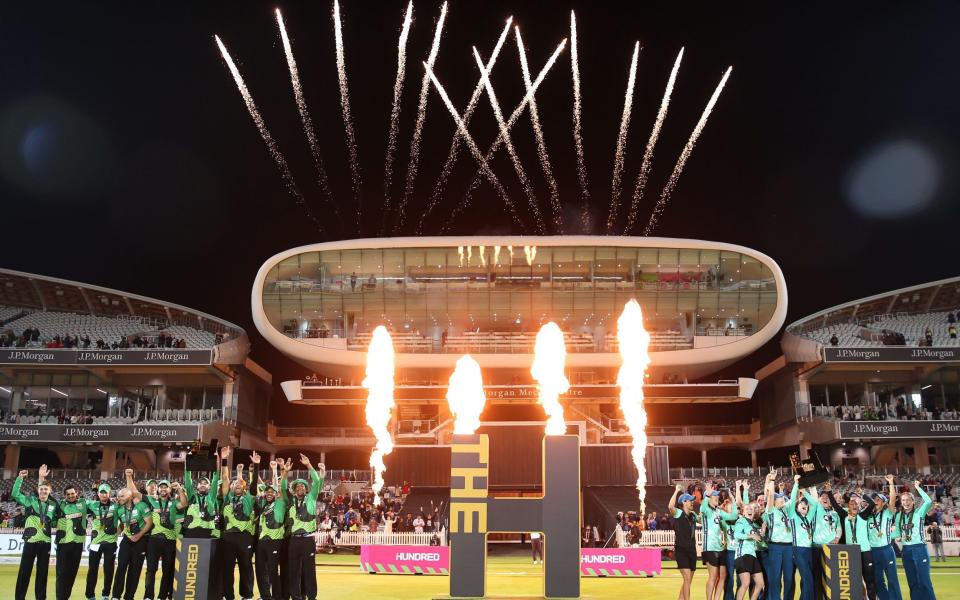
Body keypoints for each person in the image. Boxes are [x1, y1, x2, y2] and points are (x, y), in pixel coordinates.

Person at [219, 447, 258, 600]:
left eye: (240, 484)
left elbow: (254, 484)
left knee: (246, 567)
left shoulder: (249, 498)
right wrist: (224, 460)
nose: (237, 485)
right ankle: (228, 595)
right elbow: (224, 477)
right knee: (227, 568)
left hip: (245, 537)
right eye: (234, 483)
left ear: (244, 487)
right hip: (229, 537)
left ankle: (247, 595)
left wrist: (256, 466)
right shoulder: (227, 497)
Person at [285, 453, 325, 600]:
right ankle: (296, 597)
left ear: (306, 489)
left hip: (308, 539)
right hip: (294, 540)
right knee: (293, 570)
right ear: (294, 490)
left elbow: (317, 481)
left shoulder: (311, 497)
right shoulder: (291, 501)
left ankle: (311, 597)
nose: (300, 487)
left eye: (303, 485)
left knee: (309, 570)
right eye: (298, 486)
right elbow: (282, 489)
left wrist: (308, 465)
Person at [13, 465, 56, 600]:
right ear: (38, 490)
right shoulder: (30, 501)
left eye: (45, 489)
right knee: (24, 572)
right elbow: (15, 494)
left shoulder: (54, 505)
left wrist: (42, 478)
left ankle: (41, 598)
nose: (43, 491)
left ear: (50, 491)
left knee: (42, 574)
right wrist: (20, 478)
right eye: (41, 489)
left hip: (45, 543)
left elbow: (57, 521)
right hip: (30, 542)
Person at [111, 469, 153, 600]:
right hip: (126, 540)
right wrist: (115, 534)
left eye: (122, 496)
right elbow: (122, 525)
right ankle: (116, 596)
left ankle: (129, 597)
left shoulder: (141, 506)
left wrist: (139, 535)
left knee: (134, 571)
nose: (119, 498)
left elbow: (149, 523)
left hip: (141, 541)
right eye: (118, 496)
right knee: (121, 567)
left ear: (129, 496)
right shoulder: (119, 508)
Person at [255, 456, 291, 600]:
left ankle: (277, 596)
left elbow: (281, 486)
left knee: (272, 571)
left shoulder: (280, 503)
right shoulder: (263, 504)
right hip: (262, 541)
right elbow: (260, 485)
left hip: (276, 541)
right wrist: (256, 471)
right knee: (259, 570)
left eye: (272, 492)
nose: (269, 493)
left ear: (276, 494)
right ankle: (265, 596)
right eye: (267, 491)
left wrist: (280, 470)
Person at [895, 480, 936, 600]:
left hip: (919, 548)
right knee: (912, 582)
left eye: (908, 500)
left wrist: (918, 488)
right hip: (906, 550)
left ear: (913, 501)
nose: (906, 502)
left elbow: (928, 501)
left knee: (924, 581)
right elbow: (897, 532)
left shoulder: (919, 512)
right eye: (903, 500)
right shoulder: (898, 516)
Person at [143, 479, 181, 600]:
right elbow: (134, 493)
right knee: (151, 570)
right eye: (161, 487)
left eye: (166, 487)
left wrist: (179, 489)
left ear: (170, 489)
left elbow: (184, 504)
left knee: (168, 571)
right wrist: (129, 477)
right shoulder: (151, 500)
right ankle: (149, 596)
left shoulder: (175, 502)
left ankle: (162, 596)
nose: (163, 489)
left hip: (170, 540)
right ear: (158, 489)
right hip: (154, 540)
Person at [701, 482, 738, 600]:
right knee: (713, 576)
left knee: (723, 576)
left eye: (717, 495)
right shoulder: (706, 510)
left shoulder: (718, 511)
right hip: (710, 548)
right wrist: (707, 494)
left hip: (720, 548)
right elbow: (702, 506)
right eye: (714, 496)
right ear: (709, 498)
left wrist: (733, 500)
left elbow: (733, 516)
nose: (717, 497)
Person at [866, 476, 902, 600]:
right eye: (874, 499)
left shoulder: (887, 513)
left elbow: (892, 500)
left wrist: (891, 483)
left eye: (878, 499)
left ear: (883, 502)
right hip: (873, 551)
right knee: (878, 581)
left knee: (892, 579)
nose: (876, 501)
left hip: (886, 550)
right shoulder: (868, 516)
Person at [805, 485, 842, 600]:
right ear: (819, 500)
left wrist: (837, 538)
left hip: (831, 548)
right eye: (823, 497)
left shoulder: (835, 514)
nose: (825, 499)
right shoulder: (816, 509)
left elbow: (838, 529)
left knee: (831, 576)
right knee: (817, 575)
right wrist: (811, 487)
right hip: (817, 547)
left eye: (827, 497)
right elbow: (814, 499)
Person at [85, 482, 121, 600]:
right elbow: (77, 503)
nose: (103, 495)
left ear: (110, 494)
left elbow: (125, 518)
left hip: (110, 543)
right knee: (92, 570)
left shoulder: (116, 506)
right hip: (95, 543)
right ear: (98, 493)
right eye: (101, 492)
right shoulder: (92, 504)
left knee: (109, 570)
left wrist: (118, 531)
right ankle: (90, 595)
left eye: (106, 492)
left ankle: (105, 594)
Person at [763, 472, 794, 600]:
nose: (782, 499)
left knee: (788, 578)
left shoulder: (785, 510)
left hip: (789, 547)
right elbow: (770, 497)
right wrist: (771, 481)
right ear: (775, 501)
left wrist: (796, 485)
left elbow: (792, 500)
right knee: (775, 578)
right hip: (775, 547)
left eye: (782, 497)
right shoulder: (770, 511)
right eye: (779, 498)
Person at [54, 482, 88, 600]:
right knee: (62, 573)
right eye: (68, 494)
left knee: (72, 574)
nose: (71, 496)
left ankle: (65, 597)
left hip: (78, 543)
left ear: (77, 493)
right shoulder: (60, 505)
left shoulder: (83, 503)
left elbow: (99, 503)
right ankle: (60, 598)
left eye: (72, 493)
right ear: (64, 495)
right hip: (63, 543)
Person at [784, 477, 815, 600]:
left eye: (805, 504)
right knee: (807, 579)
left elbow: (815, 504)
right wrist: (797, 485)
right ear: (797, 507)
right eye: (802, 503)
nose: (804, 505)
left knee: (809, 580)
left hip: (809, 551)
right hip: (798, 550)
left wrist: (805, 492)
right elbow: (792, 501)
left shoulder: (808, 518)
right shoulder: (793, 516)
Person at [668, 484, 698, 600]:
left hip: (692, 550)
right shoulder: (678, 513)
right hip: (681, 550)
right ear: (684, 502)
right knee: (686, 579)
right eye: (690, 501)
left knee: (688, 581)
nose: (692, 503)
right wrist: (676, 491)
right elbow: (670, 506)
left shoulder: (693, 515)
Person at [733, 500, 765, 600]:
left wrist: (762, 533)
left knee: (760, 583)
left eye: (751, 509)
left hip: (752, 555)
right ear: (743, 512)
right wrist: (751, 535)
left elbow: (758, 538)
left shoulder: (753, 525)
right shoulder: (741, 521)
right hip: (742, 555)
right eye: (747, 509)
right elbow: (736, 535)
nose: (750, 510)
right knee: (745, 583)